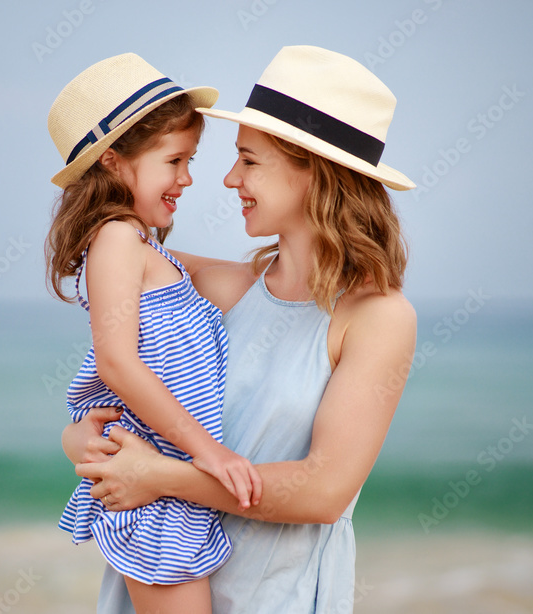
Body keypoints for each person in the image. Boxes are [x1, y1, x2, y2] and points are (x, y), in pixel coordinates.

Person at [63, 45, 419, 613]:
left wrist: (161, 477)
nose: (228, 179)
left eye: (249, 160)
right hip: (162, 577)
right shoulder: (214, 286)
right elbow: (120, 364)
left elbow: (324, 492)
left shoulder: (379, 318)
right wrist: (83, 439)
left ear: (313, 169)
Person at [45, 53, 263, 614]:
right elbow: (116, 364)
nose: (188, 178)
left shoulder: (147, 249)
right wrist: (209, 453)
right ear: (114, 162)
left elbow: (240, 277)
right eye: (175, 160)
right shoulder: (116, 240)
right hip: (157, 496)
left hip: (171, 485)